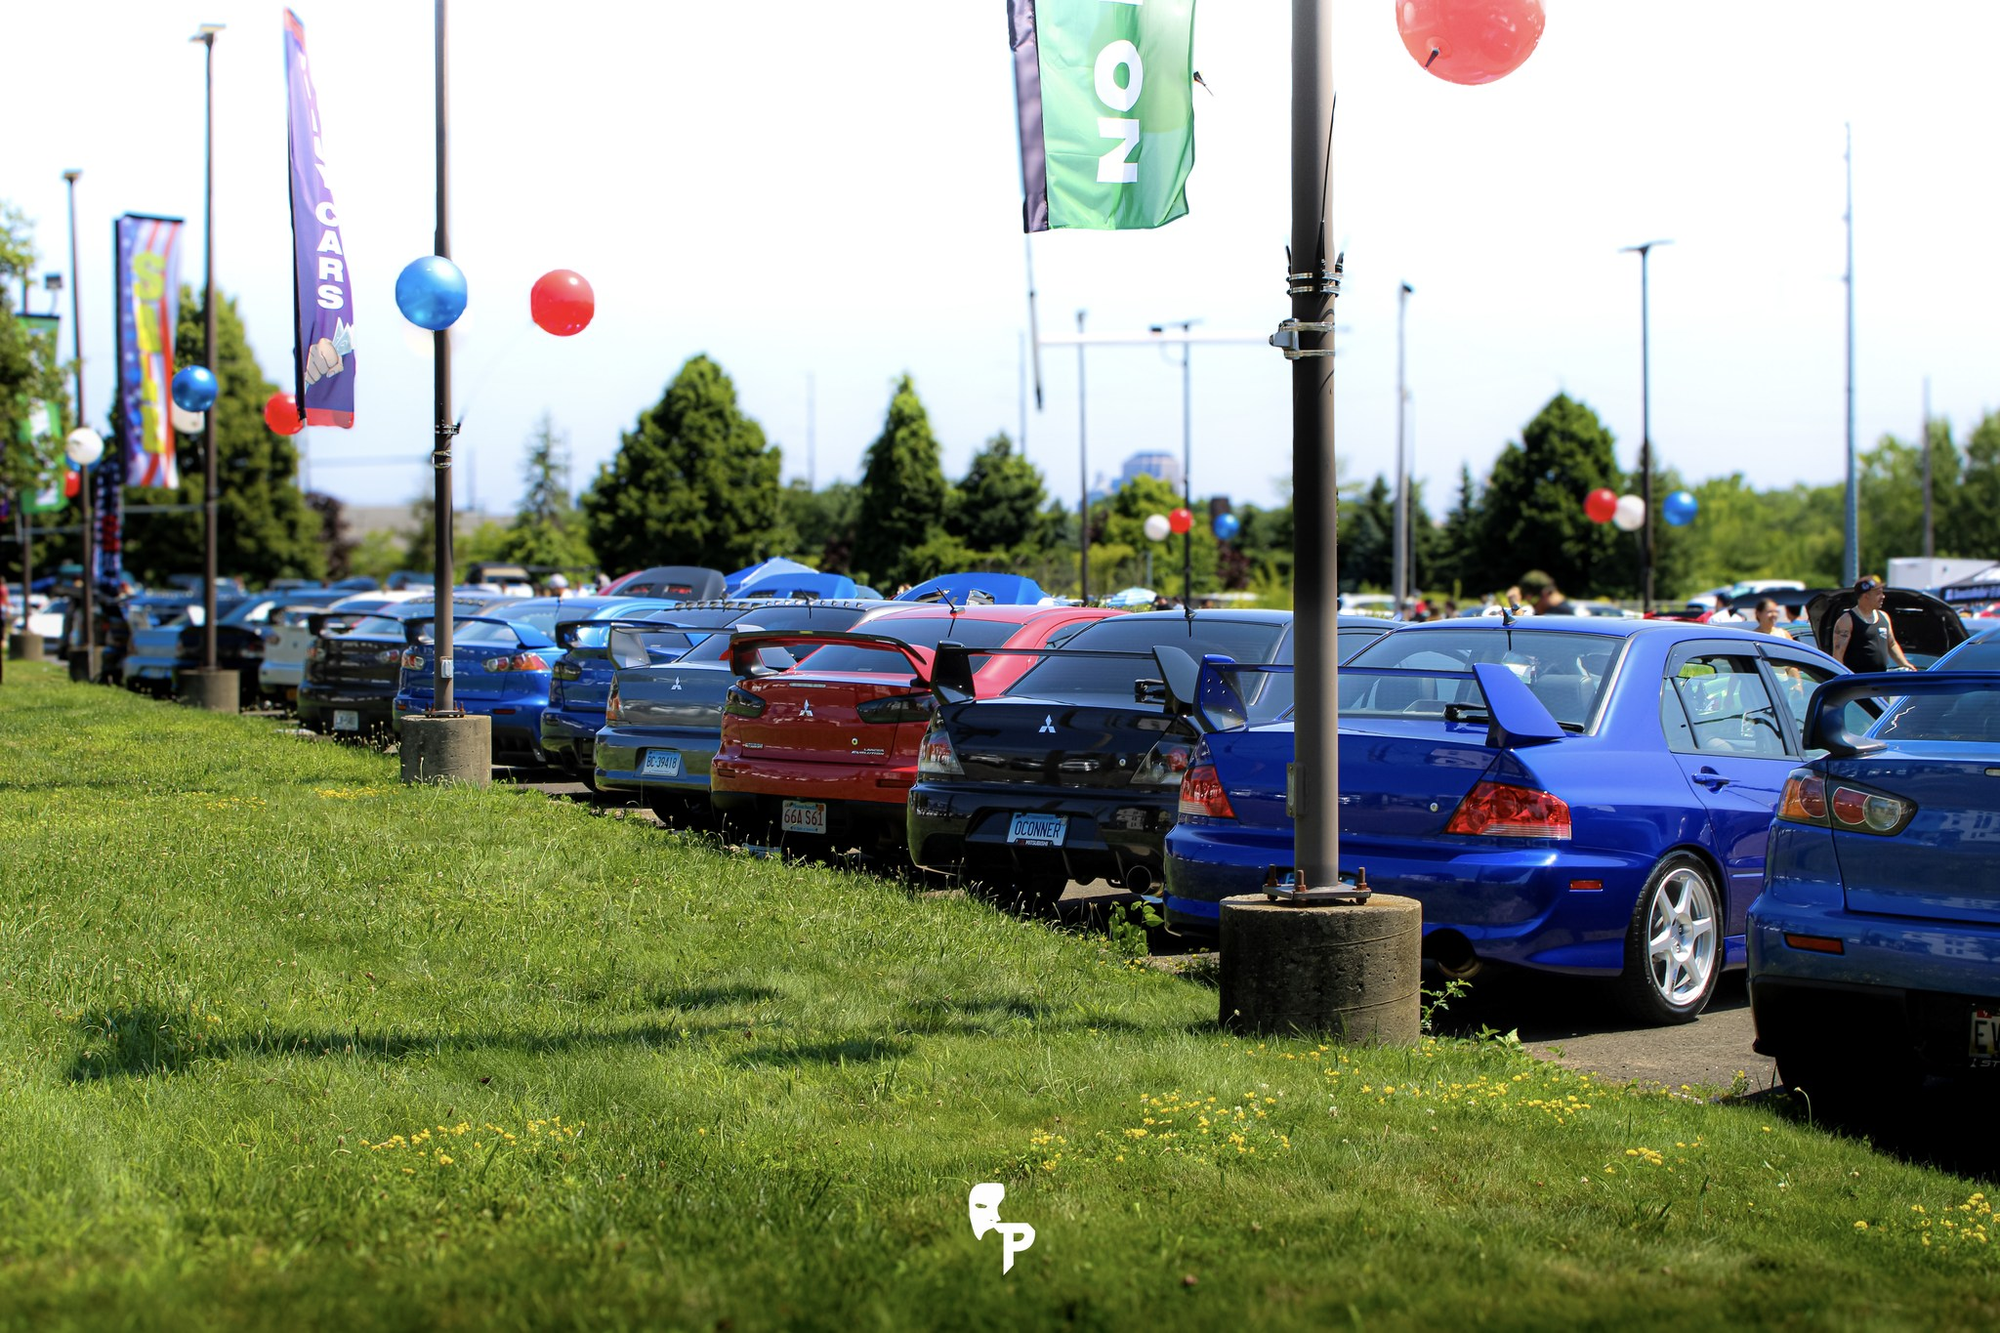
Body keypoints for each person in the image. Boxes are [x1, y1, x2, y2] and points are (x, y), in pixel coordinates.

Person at [1829, 576, 1914, 671]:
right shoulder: (1847, 620)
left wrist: (1905, 664)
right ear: (1866, 596)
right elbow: (1838, 653)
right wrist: (1843, 676)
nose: (1883, 596)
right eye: (1878, 593)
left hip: (1880, 677)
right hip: (1858, 678)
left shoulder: (1884, 617)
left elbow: (1892, 644)